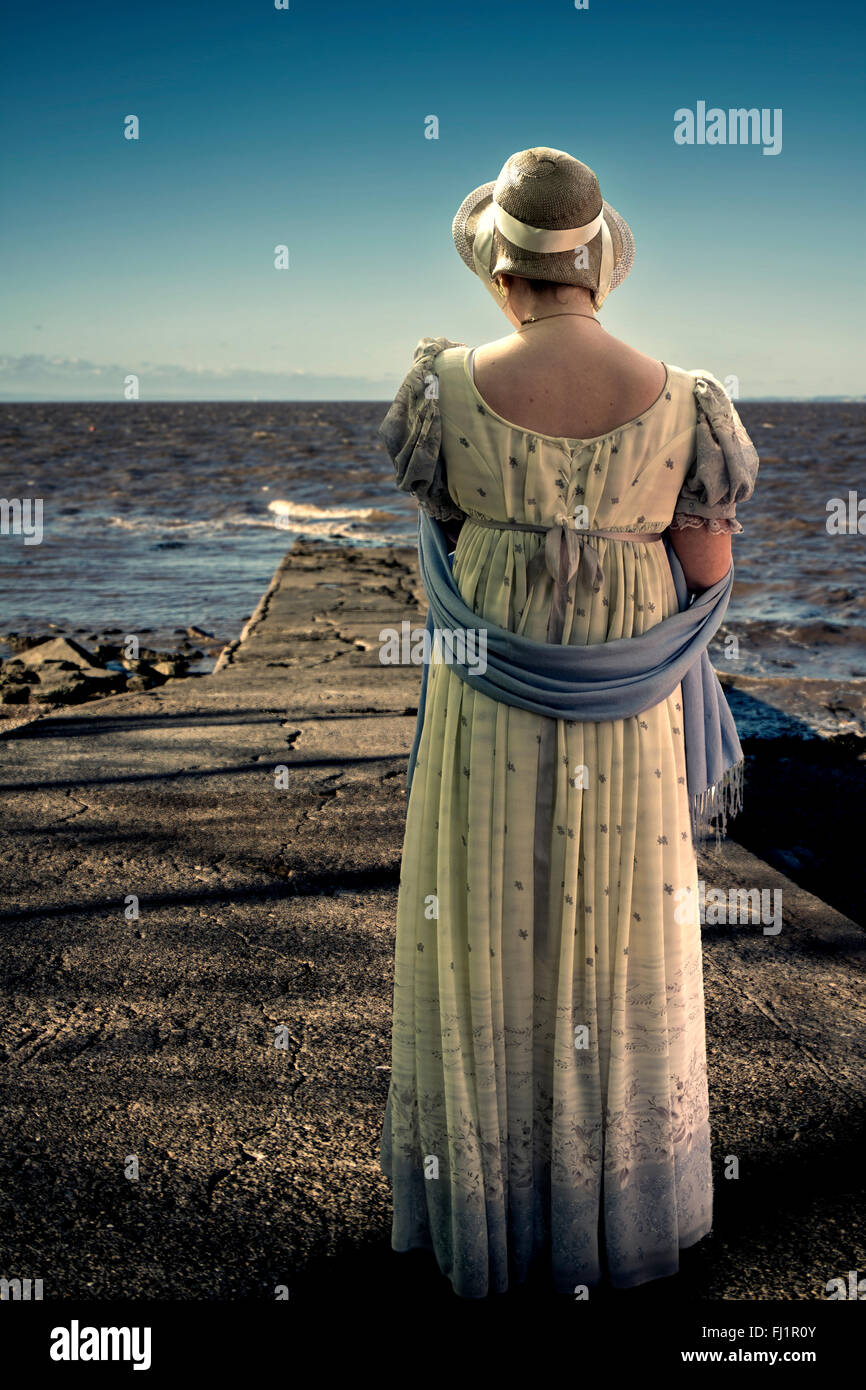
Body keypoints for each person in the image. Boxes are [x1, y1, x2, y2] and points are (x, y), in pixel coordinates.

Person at [377, 146, 759, 1299]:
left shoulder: (443, 383)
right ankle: (611, 1200)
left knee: (486, 926)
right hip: (628, 698)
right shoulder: (684, 396)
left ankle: (490, 1199)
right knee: (617, 928)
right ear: (597, 258)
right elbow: (705, 564)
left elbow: (443, 531)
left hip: (488, 693)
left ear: (500, 263)